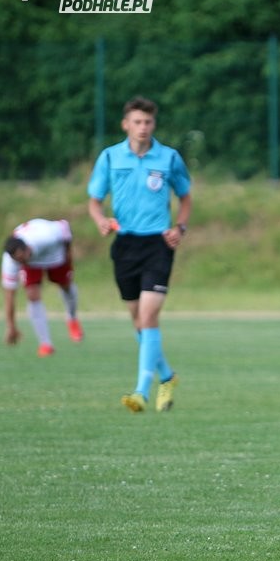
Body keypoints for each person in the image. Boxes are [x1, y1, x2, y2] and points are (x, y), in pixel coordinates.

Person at [87, 96, 192, 413]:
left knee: (148, 317)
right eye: (137, 122)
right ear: (126, 125)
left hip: (158, 245)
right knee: (138, 321)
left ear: (153, 124)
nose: (143, 127)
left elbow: (185, 197)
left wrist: (180, 227)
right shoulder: (110, 157)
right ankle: (168, 377)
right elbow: (94, 200)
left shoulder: (169, 157)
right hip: (125, 246)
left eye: (147, 122)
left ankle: (140, 392)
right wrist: (101, 220)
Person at [1, 219, 84, 356]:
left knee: (66, 285)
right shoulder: (11, 261)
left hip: (54, 254)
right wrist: (11, 326)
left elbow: (64, 226)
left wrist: (68, 254)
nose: (21, 262)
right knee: (32, 295)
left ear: (27, 248)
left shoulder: (47, 237)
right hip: (33, 263)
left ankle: (72, 318)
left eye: (22, 258)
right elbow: (9, 295)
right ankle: (45, 344)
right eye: (18, 261)